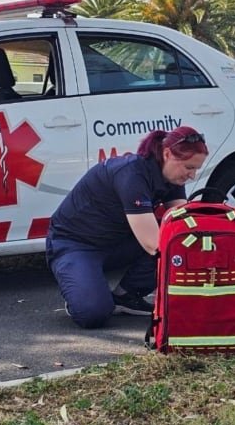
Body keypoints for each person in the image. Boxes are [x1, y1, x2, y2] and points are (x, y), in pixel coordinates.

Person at [46, 126, 209, 328]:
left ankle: (126, 296)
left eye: (196, 169)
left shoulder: (171, 174)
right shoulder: (131, 173)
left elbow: (184, 226)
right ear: (167, 154)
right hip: (76, 244)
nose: (192, 175)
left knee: (177, 237)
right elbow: (153, 245)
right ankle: (81, 295)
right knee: (93, 313)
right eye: (189, 167)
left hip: (117, 241)